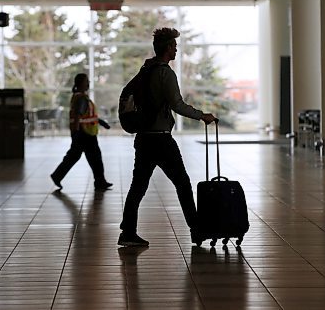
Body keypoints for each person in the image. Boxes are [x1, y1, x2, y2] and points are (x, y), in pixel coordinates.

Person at [118, 27, 217, 247]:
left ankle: (128, 232)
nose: (176, 50)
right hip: (161, 140)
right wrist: (202, 116)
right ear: (167, 48)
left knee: (138, 186)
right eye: (174, 46)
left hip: (143, 138)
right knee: (182, 183)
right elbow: (177, 104)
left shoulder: (146, 69)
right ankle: (196, 230)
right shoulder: (164, 72)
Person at [50, 73, 112, 191]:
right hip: (84, 133)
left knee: (76, 156)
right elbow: (78, 116)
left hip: (84, 132)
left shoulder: (80, 97)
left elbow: (85, 115)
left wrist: (100, 121)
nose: (88, 83)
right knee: (93, 157)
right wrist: (76, 132)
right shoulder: (81, 98)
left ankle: (57, 175)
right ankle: (99, 181)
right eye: (86, 81)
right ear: (80, 84)